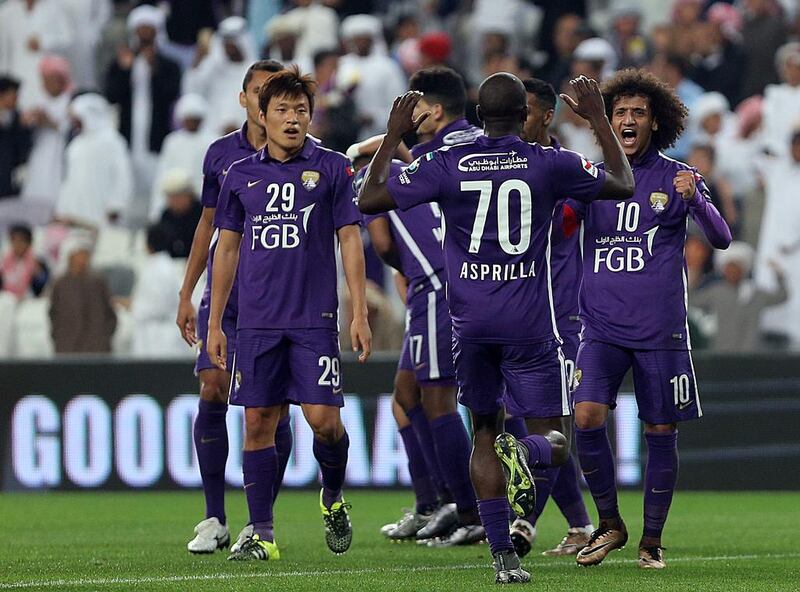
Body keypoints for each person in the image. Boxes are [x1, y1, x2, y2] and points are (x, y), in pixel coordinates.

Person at [358, 73, 634, 583]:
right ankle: (522, 452)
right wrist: (596, 117)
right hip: (529, 324)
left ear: (479, 115)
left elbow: (369, 198)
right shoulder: (548, 162)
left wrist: (394, 135)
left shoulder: (448, 162)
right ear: (523, 115)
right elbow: (622, 183)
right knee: (553, 439)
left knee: (483, 434)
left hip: (469, 325)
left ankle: (503, 557)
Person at [569, 68, 732, 570]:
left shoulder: (676, 176)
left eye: (638, 112)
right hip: (599, 325)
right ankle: (610, 523)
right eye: (620, 112)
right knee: (585, 416)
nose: (628, 119)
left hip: (660, 330)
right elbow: (556, 224)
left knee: (660, 431)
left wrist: (697, 199)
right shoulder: (592, 178)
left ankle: (652, 539)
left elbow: (722, 239)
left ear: (656, 122)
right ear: (608, 123)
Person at [207, 67, 372, 561]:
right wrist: (215, 322)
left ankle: (333, 495)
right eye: (281, 109)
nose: (292, 119)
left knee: (324, 421)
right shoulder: (239, 175)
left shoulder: (332, 168)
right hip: (256, 323)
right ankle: (262, 533)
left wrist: (358, 311)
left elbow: (349, 238)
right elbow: (227, 250)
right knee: (258, 419)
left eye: (301, 110)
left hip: (313, 320)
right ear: (262, 115)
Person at [354, 67, 483, 545]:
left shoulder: (431, 158)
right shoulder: (476, 145)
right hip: (485, 283)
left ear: (431, 109)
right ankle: (435, 502)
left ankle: (466, 508)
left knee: (436, 399)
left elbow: (384, 239)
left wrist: (388, 147)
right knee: (406, 397)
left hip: (438, 287)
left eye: (414, 107)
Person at [174, 60, 293, 555]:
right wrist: (187, 291)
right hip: (226, 297)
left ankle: (258, 519)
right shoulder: (221, 155)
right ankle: (213, 517)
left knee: (272, 410)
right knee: (212, 388)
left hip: (277, 300)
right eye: (261, 92)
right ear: (244, 99)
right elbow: (207, 226)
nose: (269, 102)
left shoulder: (300, 155)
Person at [507, 78, 594, 559]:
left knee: (550, 426)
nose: (516, 120)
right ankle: (580, 524)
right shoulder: (496, 165)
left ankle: (524, 522)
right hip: (513, 318)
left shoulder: (566, 172)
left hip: (560, 320)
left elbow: (565, 227)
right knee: (525, 426)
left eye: (525, 112)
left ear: (545, 117)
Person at [105, 4, 181, 222]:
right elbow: (111, 96)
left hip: (155, 140)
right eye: (141, 29)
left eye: (149, 29)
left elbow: (172, 94)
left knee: (155, 191)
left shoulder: (168, 65)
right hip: (129, 139)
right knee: (127, 189)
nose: (144, 34)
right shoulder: (122, 62)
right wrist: (125, 69)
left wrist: (154, 68)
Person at [54, 93, 132, 228]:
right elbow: (68, 179)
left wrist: (117, 204)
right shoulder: (76, 144)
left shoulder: (112, 141)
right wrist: (62, 208)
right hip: (75, 212)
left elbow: (122, 176)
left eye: (77, 118)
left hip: (103, 209)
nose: (74, 123)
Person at [692, 243, 787, 352]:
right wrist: (692, 278)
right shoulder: (716, 291)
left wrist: (779, 276)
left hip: (750, 354)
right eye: (729, 268)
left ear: (744, 269)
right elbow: (692, 301)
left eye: (736, 267)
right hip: (722, 353)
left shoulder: (755, 293)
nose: (732, 271)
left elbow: (782, 296)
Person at [183, 16, 258, 137]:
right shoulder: (212, 66)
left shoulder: (255, 71)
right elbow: (192, 92)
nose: (228, 45)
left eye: (232, 40)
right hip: (211, 133)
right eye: (226, 41)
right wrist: (199, 61)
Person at [148, 93, 213, 221]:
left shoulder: (212, 141)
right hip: (173, 201)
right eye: (188, 118)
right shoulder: (172, 141)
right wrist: (156, 208)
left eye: (195, 118)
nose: (191, 122)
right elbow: (163, 172)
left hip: (200, 203)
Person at [49, 232, 117, 354]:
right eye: (80, 254)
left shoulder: (98, 282)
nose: (83, 259)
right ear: (70, 257)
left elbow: (110, 314)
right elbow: (54, 314)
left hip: (97, 348)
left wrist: (103, 336)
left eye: (86, 255)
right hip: (67, 347)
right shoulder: (60, 284)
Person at [20, 55, 73, 209]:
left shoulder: (71, 101)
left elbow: (70, 130)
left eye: (51, 80)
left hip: (60, 156)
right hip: (39, 154)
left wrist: (50, 122)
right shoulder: (38, 101)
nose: (47, 84)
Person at [130, 224, 184, 357]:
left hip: (160, 337)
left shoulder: (160, 269)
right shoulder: (159, 266)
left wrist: (134, 307)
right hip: (152, 334)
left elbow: (159, 305)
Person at [0, 76, 33, 199]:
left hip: (10, 177)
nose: (16, 98)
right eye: (13, 95)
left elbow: (25, 145)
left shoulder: (19, 118)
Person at [158, 169, 202, 258]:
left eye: (176, 196)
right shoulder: (166, 216)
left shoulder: (201, 214)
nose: (173, 201)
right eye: (170, 197)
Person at [0, 224, 48, 300]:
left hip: (28, 302)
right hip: (6, 300)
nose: (17, 245)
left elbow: (41, 289)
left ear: (29, 243)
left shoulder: (38, 262)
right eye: (14, 240)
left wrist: (38, 275)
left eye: (21, 241)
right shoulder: (4, 260)